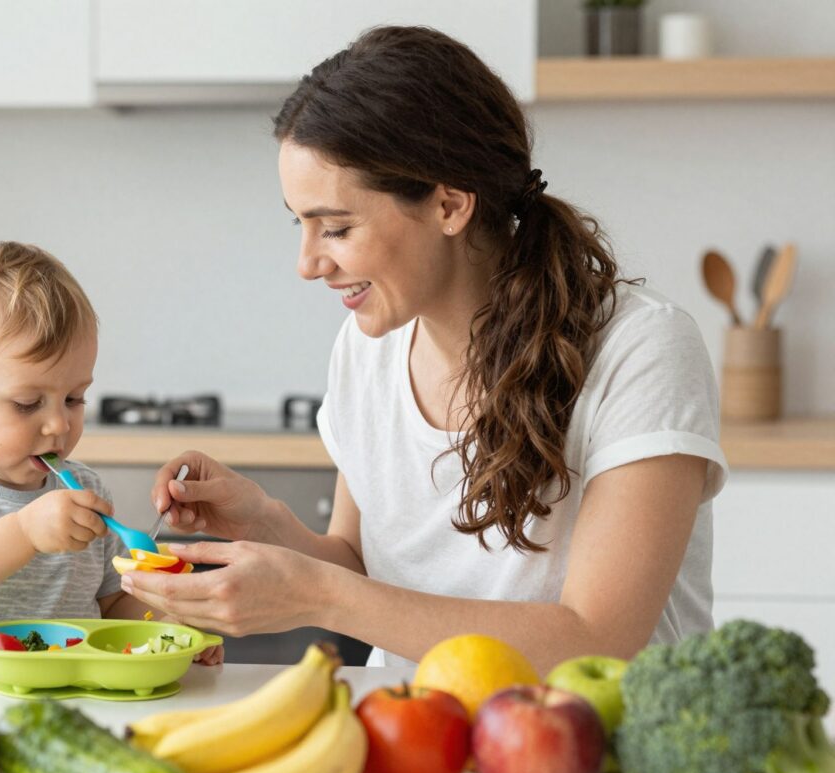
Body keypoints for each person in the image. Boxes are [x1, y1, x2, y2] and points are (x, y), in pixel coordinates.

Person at [119, 26, 727, 674]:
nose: (307, 263)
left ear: (450, 204)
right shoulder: (366, 350)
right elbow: (361, 571)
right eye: (299, 224)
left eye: (337, 227)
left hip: (600, 758)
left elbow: (597, 639)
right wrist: (261, 521)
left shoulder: (640, 350)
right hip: (417, 743)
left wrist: (314, 594)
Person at [0, 240, 221, 663]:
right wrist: (24, 533)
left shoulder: (85, 489)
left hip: (67, 708)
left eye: (74, 399)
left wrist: (167, 622)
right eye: (27, 403)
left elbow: (111, 610)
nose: (59, 425)